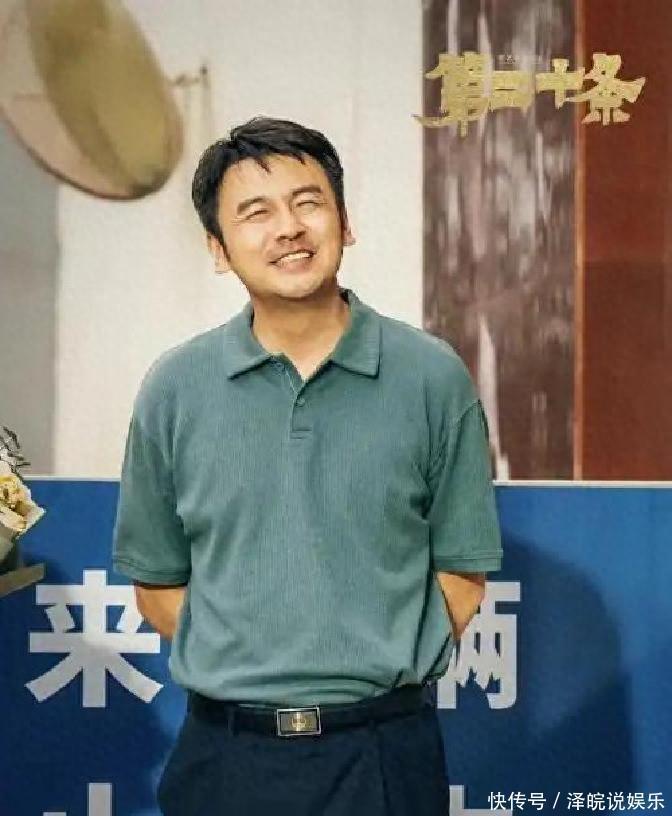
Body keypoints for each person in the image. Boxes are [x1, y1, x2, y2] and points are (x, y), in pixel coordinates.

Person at [112, 116, 503, 815]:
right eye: (255, 213)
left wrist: (366, 666)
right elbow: (157, 580)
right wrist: (254, 666)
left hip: (383, 754)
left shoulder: (430, 376)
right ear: (218, 248)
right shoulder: (175, 388)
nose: (288, 229)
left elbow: (462, 571)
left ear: (344, 223)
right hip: (225, 755)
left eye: (308, 202)